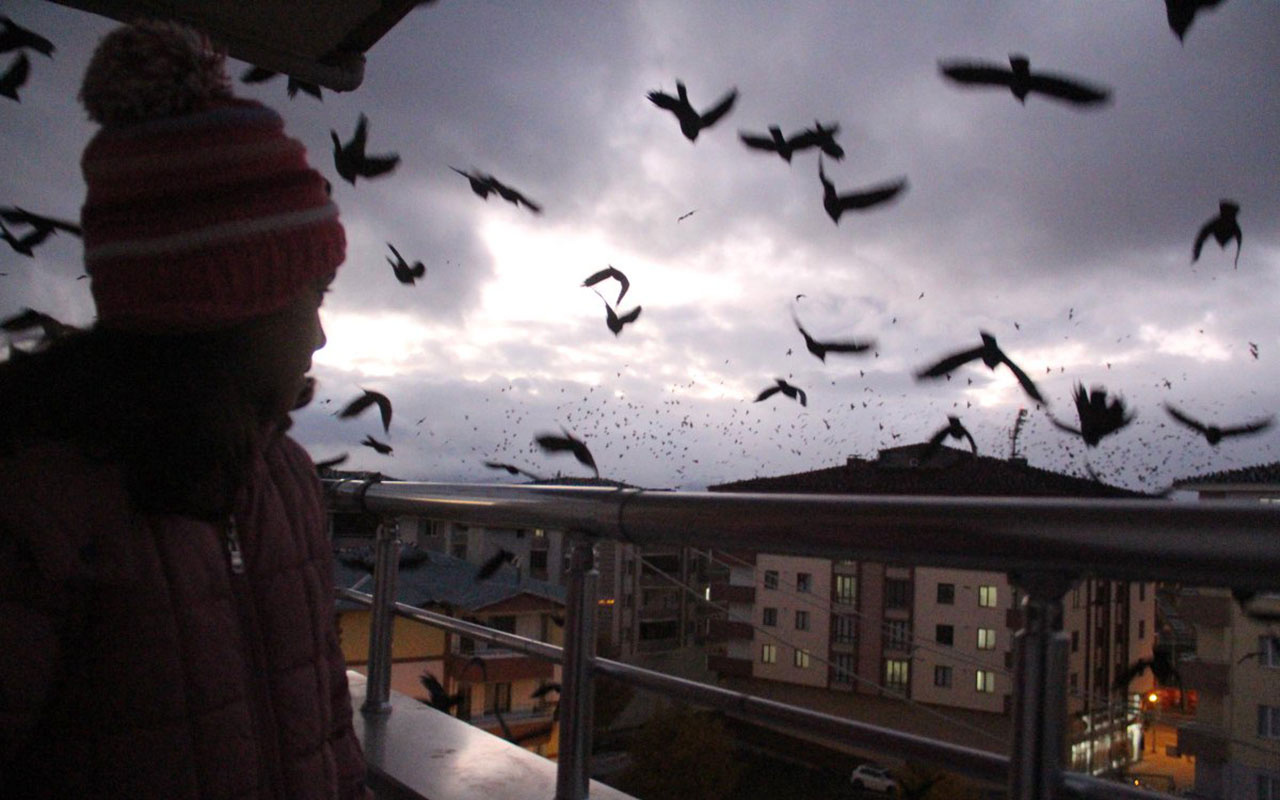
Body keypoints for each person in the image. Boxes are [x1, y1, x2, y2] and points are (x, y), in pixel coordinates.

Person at [0, 21, 370, 799]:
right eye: (309, 296)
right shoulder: (40, 515)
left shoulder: (286, 480)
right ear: (229, 309)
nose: (320, 330)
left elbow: (328, 729)